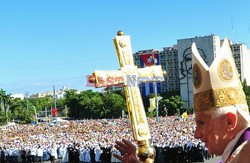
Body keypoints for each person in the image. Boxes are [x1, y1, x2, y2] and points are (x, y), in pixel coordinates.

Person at [113, 39, 250, 163]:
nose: (196, 134)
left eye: (201, 123)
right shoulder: (233, 155)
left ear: (230, 121)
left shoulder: (245, 154)